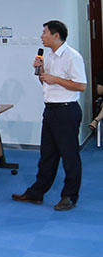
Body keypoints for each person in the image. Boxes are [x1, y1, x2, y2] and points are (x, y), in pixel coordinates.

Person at [13, 20, 87, 211]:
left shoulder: (72, 56)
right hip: (51, 110)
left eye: (44, 32)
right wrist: (42, 71)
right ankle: (37, 192)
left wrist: (56, 79)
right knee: (47, 155)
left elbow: (81, 85)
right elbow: (47, 84)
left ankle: (69, 196)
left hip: (67, 110)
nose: (41, 36)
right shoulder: (49, 56)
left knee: (69, 156)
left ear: (56, 35)